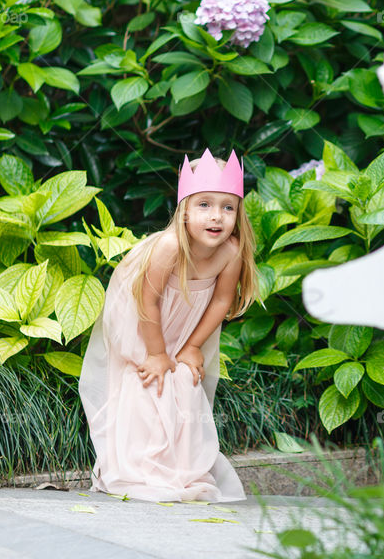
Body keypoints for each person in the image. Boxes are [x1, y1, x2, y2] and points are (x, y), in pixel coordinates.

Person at [79, 148, 258, 503]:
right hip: (143, 319)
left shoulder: (231, 251)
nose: (217, 217)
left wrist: (191, 346)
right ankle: (139, 461)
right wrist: (158, 353)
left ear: (238, 214)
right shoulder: (169, 247)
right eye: (204, 204)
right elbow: (148, 300)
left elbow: (222, 301)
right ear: (185, 210)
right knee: (147, 380)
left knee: (185, 379)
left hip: (189, 322)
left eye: (228, 207)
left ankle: (180, 463)